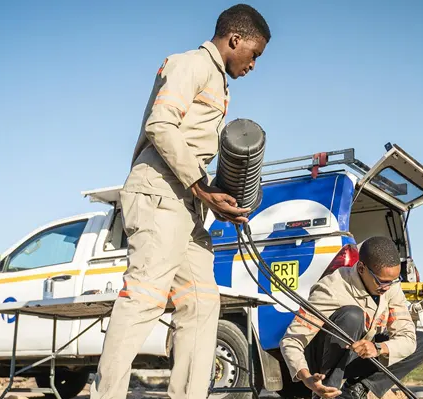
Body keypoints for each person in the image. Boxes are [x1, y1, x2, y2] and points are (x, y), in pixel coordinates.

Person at [90, 5, 271, 399]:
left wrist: (222, 197)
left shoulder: (220, 83)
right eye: (254, 54)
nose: (254, 64)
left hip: (188, 206)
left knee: (203, 303)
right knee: (144, 298)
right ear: (235, 40)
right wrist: (202, 186)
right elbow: (160, 124)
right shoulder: (191, 64)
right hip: (159, 193)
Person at [279, 236, 423, 399]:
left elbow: (407, 338)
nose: (387, 287)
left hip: (357, 355)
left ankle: (355, 390)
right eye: (381, 282)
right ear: (361, 268)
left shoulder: (391, 287)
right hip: (321, 361)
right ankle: (328, 393)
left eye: (393, 281)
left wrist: (379, 348)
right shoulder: (331, 288)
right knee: (352, 315)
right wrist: (307, 378)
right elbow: (291, 340)